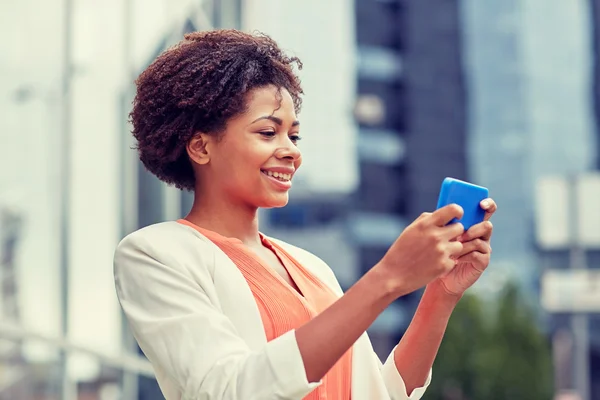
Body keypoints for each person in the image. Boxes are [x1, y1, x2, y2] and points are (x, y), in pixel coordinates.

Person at [113, 29, 497, 400]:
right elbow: (231, 391)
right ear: (200, 147)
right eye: (267, 133)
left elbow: (382, 395)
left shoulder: (312, 268)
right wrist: (388, 277)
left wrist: (441, 294)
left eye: (293, 136)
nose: (291, 151)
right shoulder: (154, 255)